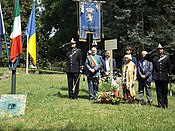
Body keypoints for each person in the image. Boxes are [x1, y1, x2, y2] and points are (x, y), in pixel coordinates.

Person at [144, 43, 171, 108]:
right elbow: (146, 57)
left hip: (164, 77)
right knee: (158, 91)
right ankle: (160, 104)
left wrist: (169, 76)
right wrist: (153, 50)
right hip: (157, 76)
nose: (159, 50)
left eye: (161, 49)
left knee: (164, 92)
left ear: (163, 50)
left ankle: (165, 104)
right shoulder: (154, 57)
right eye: (158, 49)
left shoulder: (166, 57)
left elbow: (169, 67)